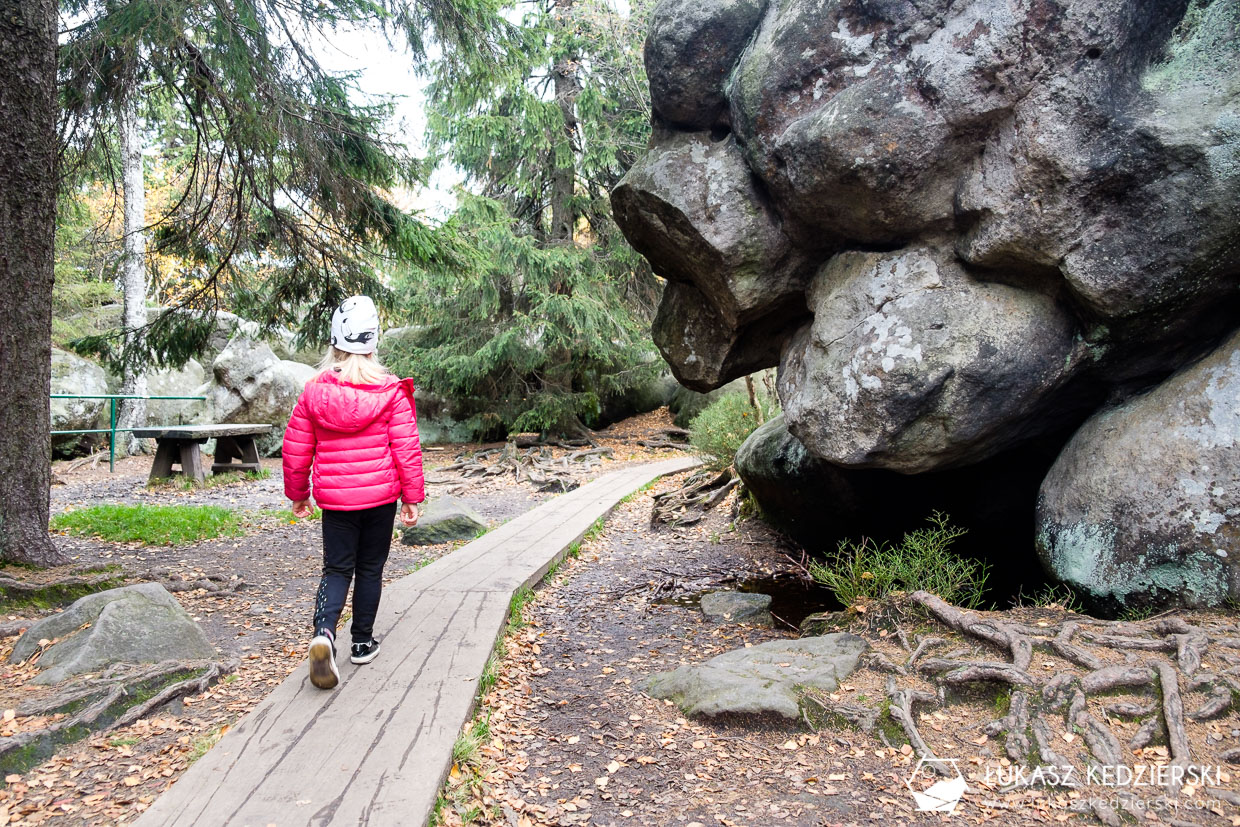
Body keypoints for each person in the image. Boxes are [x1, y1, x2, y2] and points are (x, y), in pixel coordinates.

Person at [282, 295, 425, 690]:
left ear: (334, 343)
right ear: (374, 342)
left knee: (337, 568)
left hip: (336, 502)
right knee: (369, 569)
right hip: (379, 500)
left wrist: (298, 493)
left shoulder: (314, 392)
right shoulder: (390, 391)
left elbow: (296, 449)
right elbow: (406, 448)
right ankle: (361, 642)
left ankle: (324, 634)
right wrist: (412, 497)